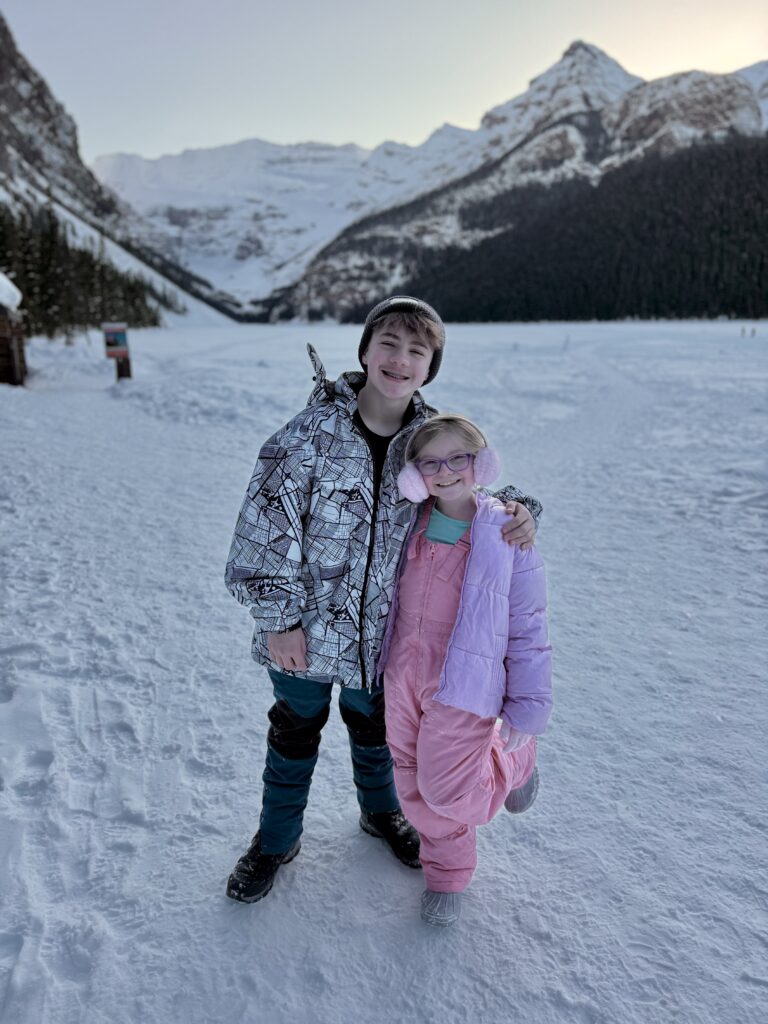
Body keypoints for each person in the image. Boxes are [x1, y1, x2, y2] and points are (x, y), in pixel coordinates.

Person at [224, 296, 541, 903]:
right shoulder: (307, 435)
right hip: (306, 632)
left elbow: (469, 487)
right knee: (295, 731)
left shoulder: (428, 440)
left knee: (382, 734)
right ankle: (275, 839)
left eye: (416, 351)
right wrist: (280, 619)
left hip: (385, 636)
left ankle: (382, 813)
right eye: (388, 344)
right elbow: (263, 529)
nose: (399, 360)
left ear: (430, 368)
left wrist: (521, 510)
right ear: (365, 351)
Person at [378, 413, 553, 927]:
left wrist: (526, 709)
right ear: (414, 476)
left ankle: (514, 763)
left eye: (458, 458)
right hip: (402, 675)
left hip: (465, 687)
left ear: (481, 463)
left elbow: (529, 629)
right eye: (430, 462)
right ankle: (448, 872)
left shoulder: (507, 536)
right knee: (410, 783)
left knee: (448, 789)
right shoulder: (406, 525)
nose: (445, 470)